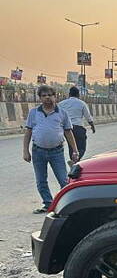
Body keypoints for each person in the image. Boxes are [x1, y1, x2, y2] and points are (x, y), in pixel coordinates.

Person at [23, 85, 79, 213]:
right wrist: (25, 151)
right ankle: (48, 204)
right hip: (38, 151)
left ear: (55, 96)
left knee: (64, 180)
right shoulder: (34, 113)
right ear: (40, 98)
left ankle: (66, 205)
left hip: (57, 151)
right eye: (44, 95)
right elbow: (28, 132)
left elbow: (68, 132)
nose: (47, 97)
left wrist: (75, 150)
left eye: (50, 95)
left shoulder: (62, 113)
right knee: (41, 180)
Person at [58, 86, 95, 162]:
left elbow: (57, 116)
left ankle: (73, 161)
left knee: (71, 146)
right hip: (78, 127)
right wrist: (92, 126)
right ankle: (74, 161)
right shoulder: (82, 103)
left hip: (66, 129)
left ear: (69, 94)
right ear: (78, 95)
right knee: (81, 148)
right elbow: (88, 116)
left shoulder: (61, 104)